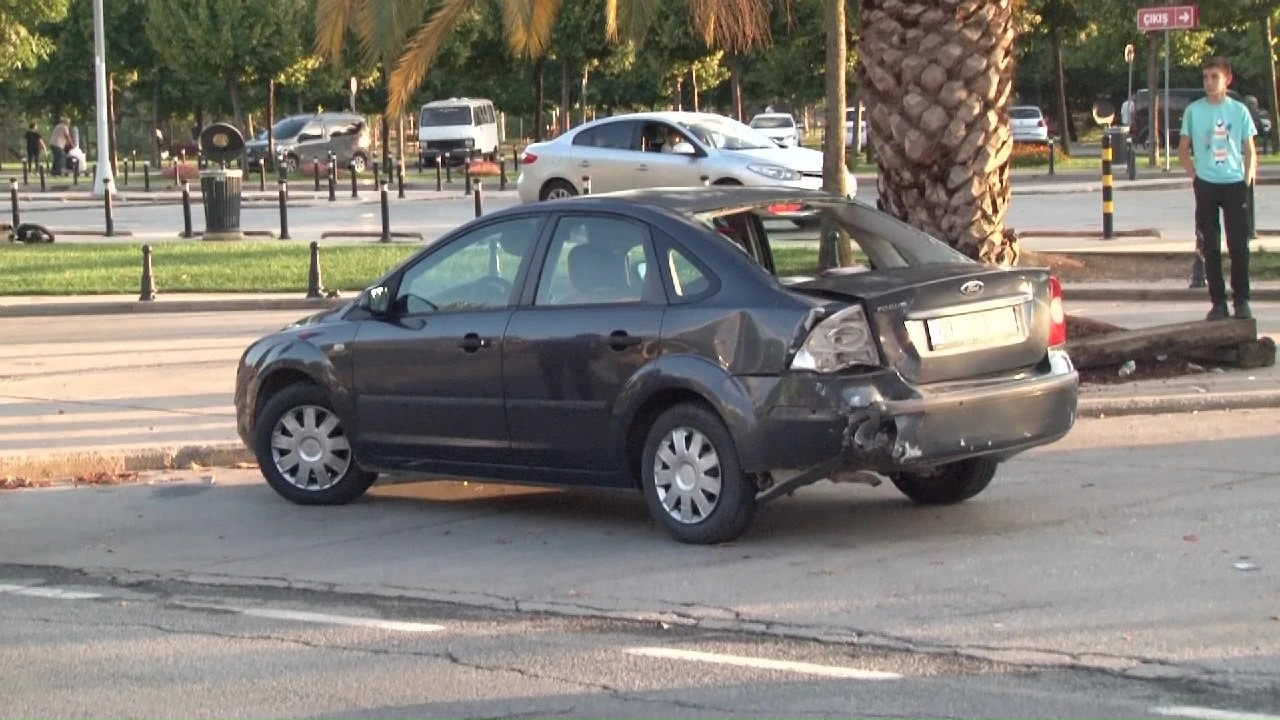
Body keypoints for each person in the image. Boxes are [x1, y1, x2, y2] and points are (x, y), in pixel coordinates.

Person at [1178, 56, 1258, 321]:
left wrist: (1246, 180)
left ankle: (1242, 302)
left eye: (1215, 77)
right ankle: (1218, 303)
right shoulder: (1194, 111)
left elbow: (1249, 151)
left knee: (1238, 246)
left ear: (1227, 79)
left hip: (1234, 183)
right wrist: (1195, 177)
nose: (1209, 82)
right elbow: (1183, 149)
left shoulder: (1239, 111)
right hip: (1207, 184)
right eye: (1206, 77)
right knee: (1210, 246)